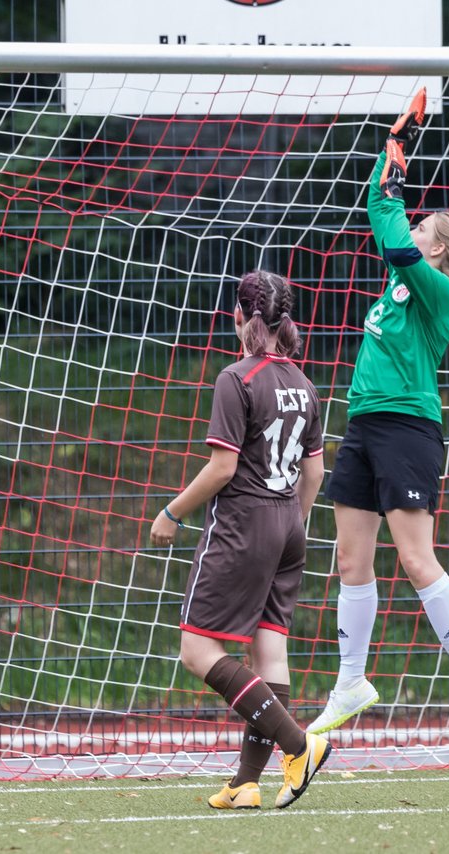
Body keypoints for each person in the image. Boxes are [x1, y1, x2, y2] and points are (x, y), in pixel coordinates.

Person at [309, 88, 449, 742]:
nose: (414, 227)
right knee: (350, 560)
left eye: (425, 226)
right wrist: (388, 159)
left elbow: (392, 236)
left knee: (417, 560)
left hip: (407, 429)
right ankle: (351, 681)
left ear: (442, 249)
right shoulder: (405, 274)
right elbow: (382, 215)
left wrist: (393, 175)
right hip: (364, 424)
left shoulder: (438, 291)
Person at [150, 270, 329, 810]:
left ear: (239, 317)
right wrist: (290, 523)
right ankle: (247, 782)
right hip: (288, 524)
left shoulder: (238, 377)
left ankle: (299, 744)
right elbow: (315, 473)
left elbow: (223, 467)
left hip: (243, 525)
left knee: (197, 649)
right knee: (269, 651)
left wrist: (172, 512)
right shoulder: (304, 383)